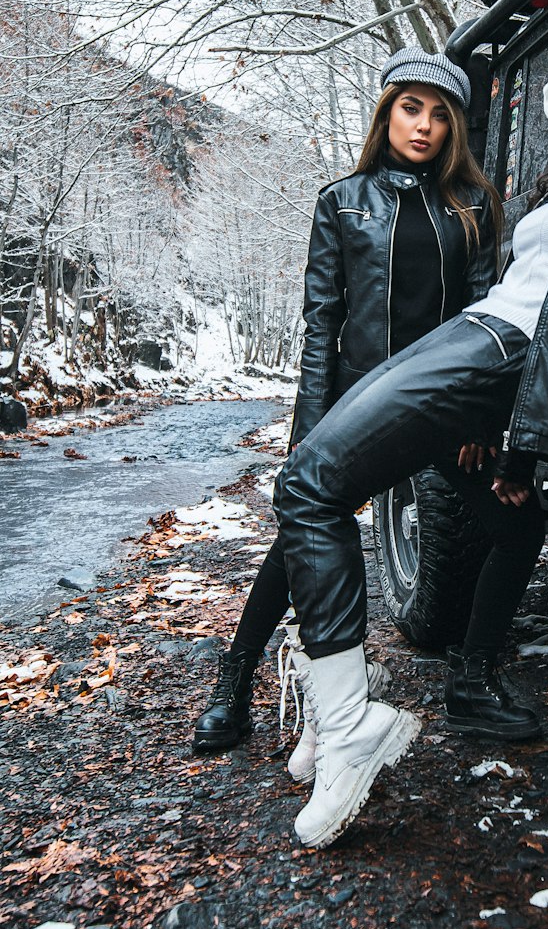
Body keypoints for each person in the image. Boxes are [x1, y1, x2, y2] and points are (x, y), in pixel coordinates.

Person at [274, 50, 548, 849]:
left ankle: (347, 720)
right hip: (480, 342)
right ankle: (382, 703)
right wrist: (516, 452)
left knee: (307, 487)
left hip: (501, 348)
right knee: (344, 490)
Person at [192, 48, 502, 757]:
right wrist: (309, 431)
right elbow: (321, 323)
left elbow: (487, 316)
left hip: (446, 405)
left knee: (512, 525)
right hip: (358, 402)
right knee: (300, 535)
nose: (423, 126)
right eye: (409, 107)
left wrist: (484, 416)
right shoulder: (342, 200)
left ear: (455, 125)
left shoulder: (474, 203)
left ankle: (477, 678)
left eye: (439, 114)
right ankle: (234, 683)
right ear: (387, 112)